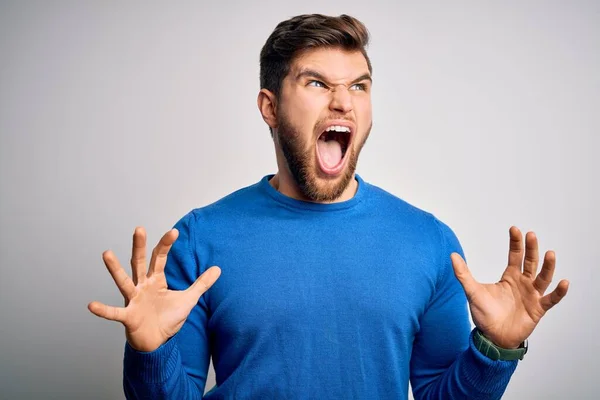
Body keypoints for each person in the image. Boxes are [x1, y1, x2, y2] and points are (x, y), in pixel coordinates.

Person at [88, 14, 569, 399]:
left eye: (359, 86)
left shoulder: (429, 242)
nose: (343, 102)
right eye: (317, 83)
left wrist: (496, 349)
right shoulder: (198, 239)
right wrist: (148, 350)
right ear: (269, 107)